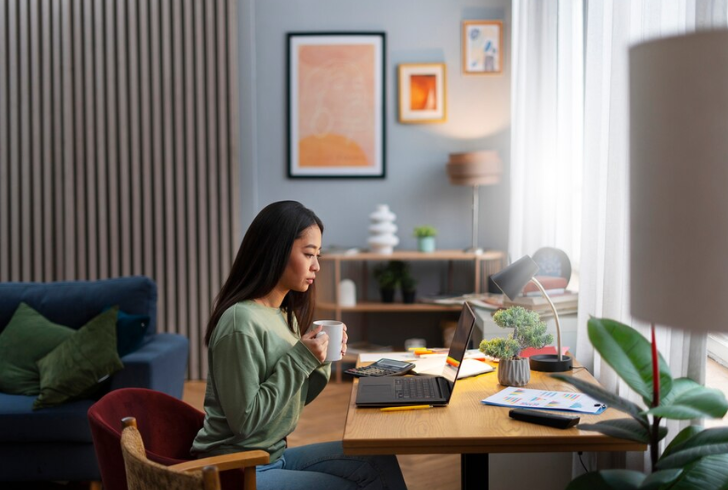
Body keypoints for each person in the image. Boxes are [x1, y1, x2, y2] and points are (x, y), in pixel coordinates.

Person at [192, 200, 407, 490]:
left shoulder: (283, 315)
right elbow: (246, 422)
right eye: (309, 254)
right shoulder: (239, 323)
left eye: (317, 255)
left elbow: (292, 400)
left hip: (271, 456)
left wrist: (320, 357)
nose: (316, 266)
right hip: (237, 469)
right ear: (276, 251)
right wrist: (300, 360)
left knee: (377, 460)